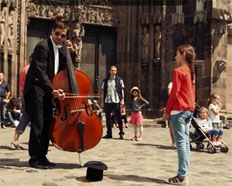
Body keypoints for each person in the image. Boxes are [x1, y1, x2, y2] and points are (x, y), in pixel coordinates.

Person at [24, 20, 75, 169]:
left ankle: (42, 155)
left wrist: (71, 52)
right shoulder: (43, 46)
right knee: (38, 123)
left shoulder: (62, 48)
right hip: (37, 88)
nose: (59, 37)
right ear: (52, 31)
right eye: (57, 34)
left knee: (47, 123)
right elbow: (40, 72)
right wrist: (52, 89)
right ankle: (34, 158)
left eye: (63, 35)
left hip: (49, 90)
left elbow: (68, 66)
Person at [162, 44, 196, 185]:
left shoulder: (178, 71)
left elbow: (174, 93)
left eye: (177, 53)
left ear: (183, 55)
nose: (175, 56)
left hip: (179, 110)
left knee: (181, 143)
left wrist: (167, 112)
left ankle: (182, 176)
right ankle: (184, 174)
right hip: (188, 109)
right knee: (185, 143)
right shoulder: (190, 71)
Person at [10, 56, 32, 149]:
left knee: (26, 117)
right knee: (28, 117)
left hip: (25, 94)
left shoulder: (24, 68)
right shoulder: (30, 69)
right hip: (30, 95)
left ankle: (14, 140)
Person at [101, 65, 125, 139]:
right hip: (107, 101)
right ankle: (109, 133)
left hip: (116, 100)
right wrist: (102, 101)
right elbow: (103, 92)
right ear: (109, 71)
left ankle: (121, 133)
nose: (113, 72)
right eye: (112, 70)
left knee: (119, 117)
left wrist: (122, 99)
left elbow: (122, 90)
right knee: (108, 118)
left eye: (114, 70)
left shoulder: (119, 79)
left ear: (116, 71)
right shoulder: (105, 80)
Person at [167, 82, 175, 147]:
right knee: (172, 125)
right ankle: (173, 141)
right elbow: (169, 93)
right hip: (173, 107)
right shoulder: (171, 84)